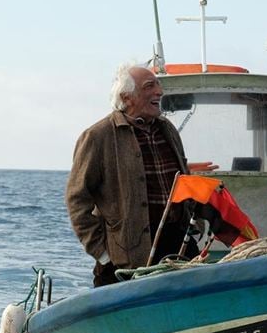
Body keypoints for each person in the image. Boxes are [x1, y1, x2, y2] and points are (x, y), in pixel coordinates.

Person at [66, 64, 192, 287]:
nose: (159, 92)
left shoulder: (168, 129)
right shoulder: (97, 136)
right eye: (149, 86)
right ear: (127, 97)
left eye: (158, 85)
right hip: (125, 260)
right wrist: (103, 255)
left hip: (177, 249)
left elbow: (185, 180)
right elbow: (77, 200)